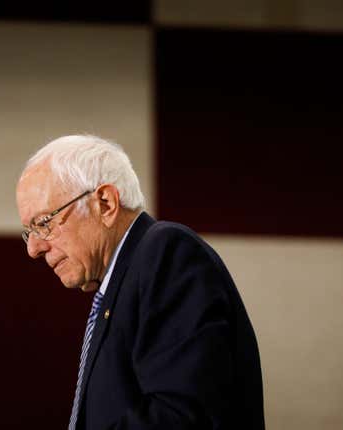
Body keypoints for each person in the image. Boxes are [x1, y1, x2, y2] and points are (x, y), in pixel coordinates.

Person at [16, 135, 264, 430]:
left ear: (105, 204)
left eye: (44, 223)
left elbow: (182, 414)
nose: (33, 249)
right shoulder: (118, 283)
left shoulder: (165, 253)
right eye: (29, 232)